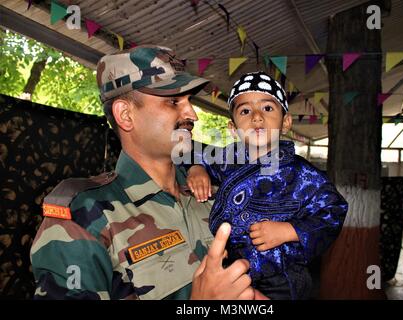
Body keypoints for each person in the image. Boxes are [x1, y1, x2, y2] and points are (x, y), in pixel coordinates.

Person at [30, 45, 257, 300]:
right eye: (173, 101)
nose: (192, 114)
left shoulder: (212, 197)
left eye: (189, 101)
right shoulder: (83, 218)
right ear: (125, 115)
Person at [186, 71, 349, 300]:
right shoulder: (228, 157)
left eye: (268, 108)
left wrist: (289, 231)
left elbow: (334, 210)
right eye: (245, 111)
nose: (256, 117)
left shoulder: (301, 173)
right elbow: (200, 156)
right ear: (233, 128)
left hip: (281, 278)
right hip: (231, 269)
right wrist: (197, 169)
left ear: (286, 123)